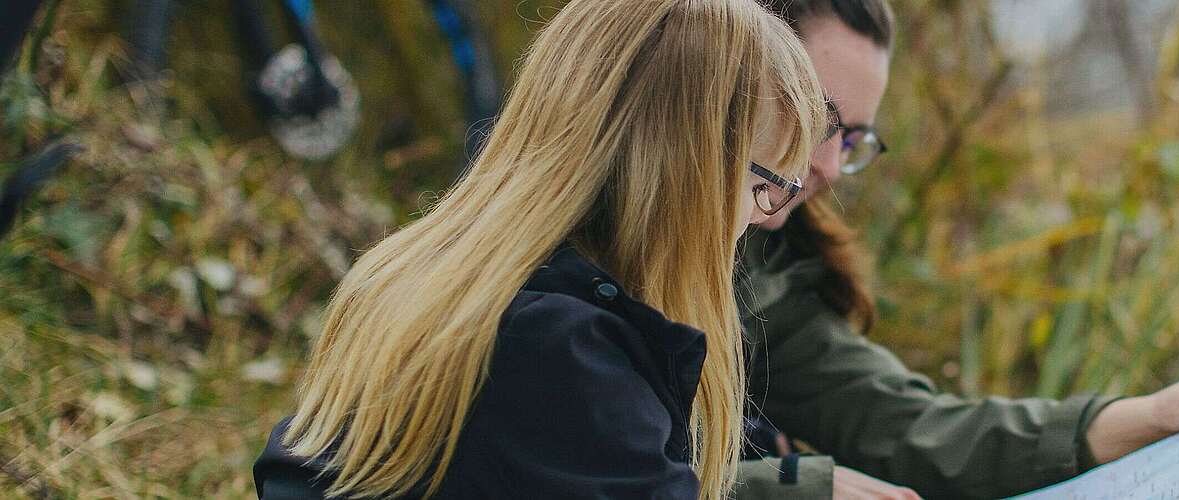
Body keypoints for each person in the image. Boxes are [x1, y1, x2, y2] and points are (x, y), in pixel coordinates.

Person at [252, 0, 831, 498]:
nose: (761, 218)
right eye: (761, 186)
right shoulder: (567, 362)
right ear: (684, 167)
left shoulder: (438, 284)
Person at [732, 1, 1179, 498]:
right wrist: (793, 489)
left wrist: (1152, 416)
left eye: (851, 139)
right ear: (724, 78)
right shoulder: (652, 243)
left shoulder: (769, 266)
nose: (829, 166)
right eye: (815, 115)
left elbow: (903, 425)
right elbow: (648, 472)